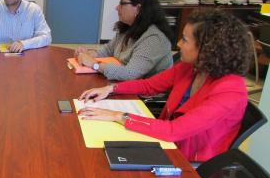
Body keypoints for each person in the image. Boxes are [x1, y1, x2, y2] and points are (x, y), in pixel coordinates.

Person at [78, 10, 251, 162]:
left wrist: (117, 115)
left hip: (189, 162)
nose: (179, 44)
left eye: (185, 40)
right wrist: (111, 89)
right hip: (167, 144)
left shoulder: (231, 91)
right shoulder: (191, 68)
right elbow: (149, 86)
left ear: (207, 48)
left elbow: (174, 130)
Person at [75, 0, 173, 80]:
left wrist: (95, 65)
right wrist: (88, 54)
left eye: (122, 3)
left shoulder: (154, 38)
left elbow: (130, 74)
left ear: (138, 8)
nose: (117, 8)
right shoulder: (128, 27)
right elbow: (108, 50)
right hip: (126, 85)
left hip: (146, 95)